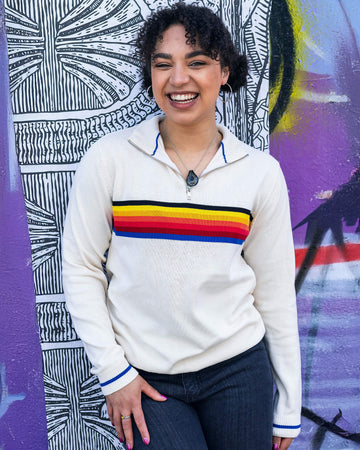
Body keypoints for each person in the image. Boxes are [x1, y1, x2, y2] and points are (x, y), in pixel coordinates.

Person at [62, 3, 301, 449]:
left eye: (197, 62)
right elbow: (79, 267)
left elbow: (274, 292)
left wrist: (288, 405)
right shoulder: (110, 159)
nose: (178, 79)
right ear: (150, 73)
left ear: (224, 71)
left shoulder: (259, 173)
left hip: (238, 372)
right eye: (162, 64)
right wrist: (113, 373)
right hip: (147, 380)